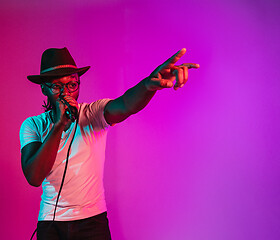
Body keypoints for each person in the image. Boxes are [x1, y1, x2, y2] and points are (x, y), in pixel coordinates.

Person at [20, 47, 199, 240]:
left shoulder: (93, 114)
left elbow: (125, 105)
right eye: (57, 86)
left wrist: (149, 85)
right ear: (43, 88)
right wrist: (58, 126)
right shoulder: (33, 125)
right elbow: (34, 177)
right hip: (51, 225)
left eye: (72, 85)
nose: (66, 93)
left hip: (92, 223)